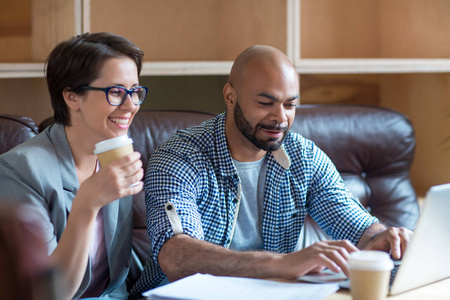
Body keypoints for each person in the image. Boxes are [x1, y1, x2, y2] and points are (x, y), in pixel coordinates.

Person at [131, 45, 412, 295]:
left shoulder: (304, 158)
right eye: (265, 103)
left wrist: (384, 239)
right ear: (230, 97)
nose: (280, 117)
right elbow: (176, 255)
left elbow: (358, 227)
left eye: (290, 104)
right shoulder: (180, 157)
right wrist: (281, 264)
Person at [0, 32, 147, 299]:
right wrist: (87, 204)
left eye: (135, 91)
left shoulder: (116, 154)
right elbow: (45, 294)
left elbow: (115, 283)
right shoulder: (21, 170)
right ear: (72, 97)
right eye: (115, 92)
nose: (130, 105)